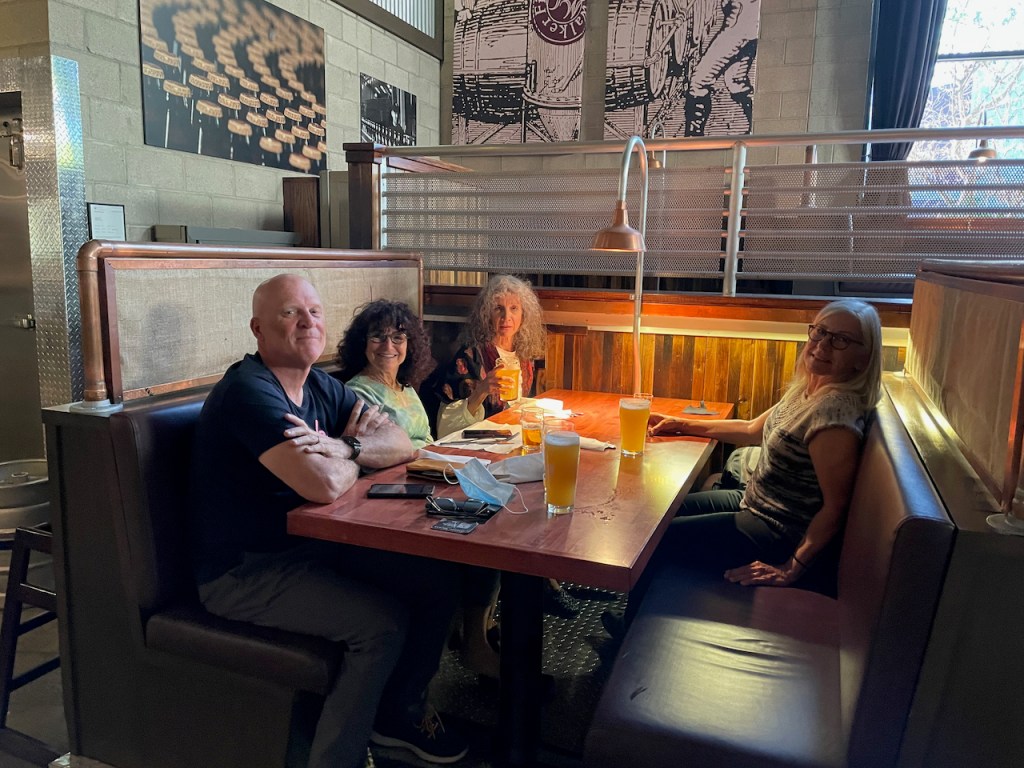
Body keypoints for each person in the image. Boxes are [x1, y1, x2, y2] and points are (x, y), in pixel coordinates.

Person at [189, 275, 468, 768]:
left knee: (437, 580)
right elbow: (320, 485)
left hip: (311, 550)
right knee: (381, 626)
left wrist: (344, 447)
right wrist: (353, 456)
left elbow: (400, 444)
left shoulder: (318, 385)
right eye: (290, 313)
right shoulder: (250, 392)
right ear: (258, 328)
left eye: (314, 312)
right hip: (246, 573)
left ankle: (395, 718)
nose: (307, 322)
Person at [607, 299, 882, 634]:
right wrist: (682, 424)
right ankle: (625, 600)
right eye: (820, 332)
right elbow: (752, 429)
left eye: (840, 340)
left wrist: (791, 568)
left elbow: (837, 507)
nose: (822, 345)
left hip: (776, 531)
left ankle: (631, 633)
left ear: (863, 357)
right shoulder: (811, 389)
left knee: (655, 540)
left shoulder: (834, 414)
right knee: (654, 514)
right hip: (753, 502)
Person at [432, 274, 546, 438]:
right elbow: (445, 428)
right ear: (486, 314)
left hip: (512, 434)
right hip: (479, 442)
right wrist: (481, 390)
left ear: (523, 314)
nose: (506, 317)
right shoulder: (469, 358)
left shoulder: (524, 355)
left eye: (514, 308)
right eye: (498, 308)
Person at [335, 299, 435, 450]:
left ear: (410, 345)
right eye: (378, 336)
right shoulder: (357, 393)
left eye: (398, 337)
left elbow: (426, 438)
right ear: (362, 343)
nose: (388, 346)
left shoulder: (406, 387)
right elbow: (375, 452)